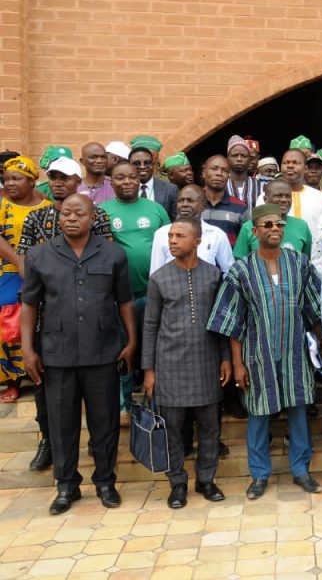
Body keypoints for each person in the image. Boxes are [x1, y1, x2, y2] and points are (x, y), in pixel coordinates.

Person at [20, 194, 136, 515]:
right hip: (57, 354)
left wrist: (131, 341)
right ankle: (66, 486)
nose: (71, 218)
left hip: (103, 352)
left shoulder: (113, 254)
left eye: (79, 213)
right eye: (66, 213)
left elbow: (125, 301)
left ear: (92, 217)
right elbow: (29, 304)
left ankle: (105, 482)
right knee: (61, 424)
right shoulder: (39, 255)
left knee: (105, 422)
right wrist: (28, 350)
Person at [207, 203, 322, 499]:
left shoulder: (299, 263)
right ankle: (259, 475)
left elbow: (315, 308)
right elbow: (233, 321)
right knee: (258, 413)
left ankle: (301, 470)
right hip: (257, 355)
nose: (275, 229)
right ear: (254, 231)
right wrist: (237, 364)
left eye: (280, 224)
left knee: (298, 411)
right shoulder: (241, 269)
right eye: (268, 225)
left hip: (295, 352)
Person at [15, 157, 113, 469]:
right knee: (49, 396)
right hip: (48, 322)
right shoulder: (36, 218)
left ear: (77, 181)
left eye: (65, 177)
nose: (58, 182)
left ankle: (99, 456)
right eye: (53, 177)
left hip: (91, 322)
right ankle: (49, 444)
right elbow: (25, 266)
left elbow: (105, 261)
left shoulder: (96, 216)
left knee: (99, 406)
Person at [142, 217, 230, 508]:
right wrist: (149, 370)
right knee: (173, 429)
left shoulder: (213, 276)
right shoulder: (159, 278)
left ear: (197, 241)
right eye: (170, 236)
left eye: (180, 236)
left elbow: (221, 322)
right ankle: (177, 483)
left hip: (207, 361)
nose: (173, 241)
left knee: (210, 428)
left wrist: (226, 358)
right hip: (169, 364)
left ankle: (206, 479)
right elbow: (150, 325)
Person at [100, 161, 171, 407]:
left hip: (154, 293)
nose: (127, 181)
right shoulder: (102, 211)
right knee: (124, 345)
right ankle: (125, 398)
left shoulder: (156, 209)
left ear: (139, 180)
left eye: (132, 177)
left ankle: (157, 397)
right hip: (119, 296)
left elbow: (169, 246)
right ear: (111, 182)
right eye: (120, 177)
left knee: (156, 344)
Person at [0, 156, 51, 400]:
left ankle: (40, 372)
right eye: (7, 179)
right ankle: (13, 379)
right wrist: (19, 261)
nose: (10, 183)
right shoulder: (2, 206)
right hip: (8, 271)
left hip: (42, 271)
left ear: (32, 181)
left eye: (16, 178)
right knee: (7, 316)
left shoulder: (47, 207)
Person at [150, 184, 234, 275]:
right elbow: (155, 273)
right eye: (180, 201)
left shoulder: (217, 235)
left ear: (204, 206)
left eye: (190, 201)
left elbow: (229, 271)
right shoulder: (162, 234)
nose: (184, 205)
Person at [233, 179, 312, 260]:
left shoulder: (302, 226)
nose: (284, 200)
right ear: (265, 199)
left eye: (288, 196)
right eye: (278, 196)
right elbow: (239, 261)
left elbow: (305, 261)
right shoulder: (249, 227)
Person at [200, 155, 248, 246]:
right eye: (214, 169)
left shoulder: (240, 207)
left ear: (228, 176)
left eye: (225, 170)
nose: (219, 173)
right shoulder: (192, 203)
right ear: (204, 173)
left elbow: (246, 243)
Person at [129, 146, 177, 220]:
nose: (142, 167)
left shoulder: (170, 189)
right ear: (129, 165)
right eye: (136, 163)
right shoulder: (122, 189)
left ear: (153, 164)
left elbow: (177, 220)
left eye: (147, 163)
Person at [225, 134, 263, 210]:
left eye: (243, 156)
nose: (239, 159)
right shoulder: (221, 186)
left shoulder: (262, 187)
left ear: (249, 159)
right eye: (235, 155)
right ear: (228, 159)